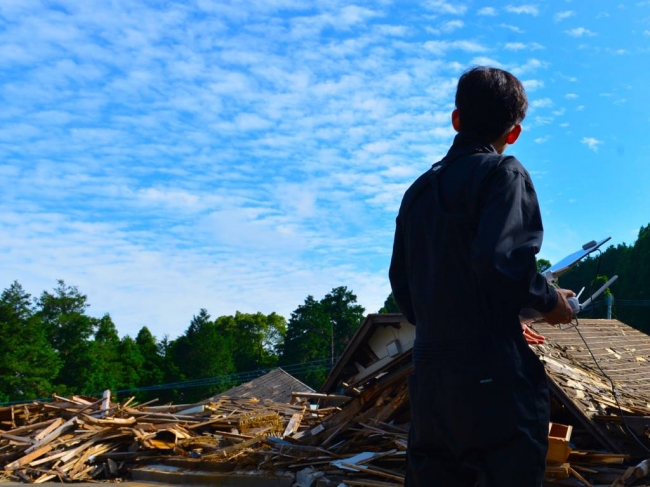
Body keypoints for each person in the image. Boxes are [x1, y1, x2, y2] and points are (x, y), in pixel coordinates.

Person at [388, 66, 575, 487]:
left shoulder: (417, 192)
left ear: (456, 120)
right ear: (514, 133)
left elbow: (404, 288)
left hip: (432, 381)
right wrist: (550, 303)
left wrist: (483, 319)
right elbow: (502, 264)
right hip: (493, 379)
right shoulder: (503, 173)